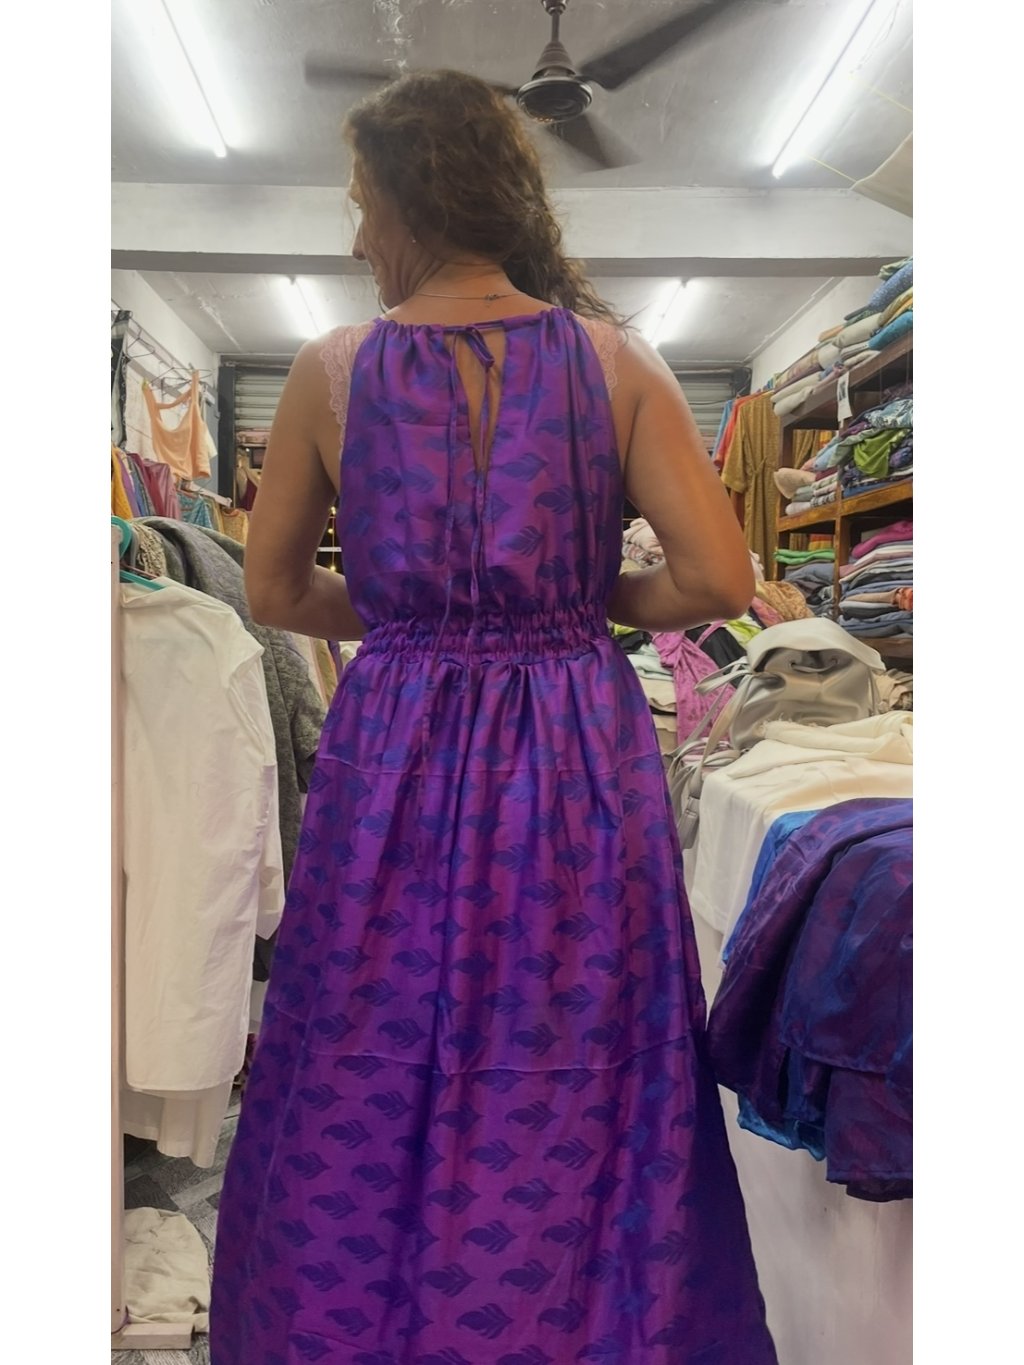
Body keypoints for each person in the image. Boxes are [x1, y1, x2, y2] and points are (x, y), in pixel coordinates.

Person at [211, 69, 776, 1365]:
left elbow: (276, 591)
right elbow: (715, 581)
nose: (359, 234)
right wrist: (576, 600)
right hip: (574, 740)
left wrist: (412, 619)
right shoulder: (615, 360)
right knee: (578, 1032)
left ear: (408, 197)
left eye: (363, 202)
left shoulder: (333, 369)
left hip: (395, 742)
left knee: (365, 1031)